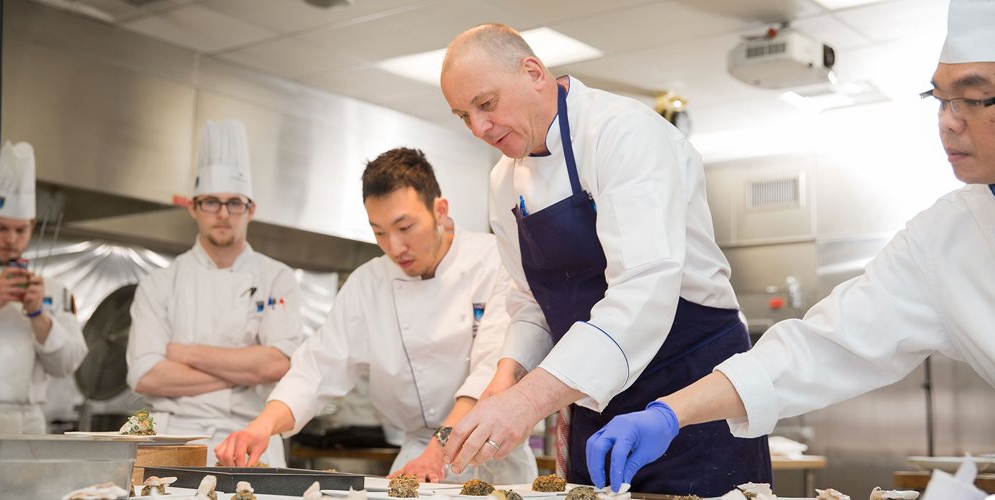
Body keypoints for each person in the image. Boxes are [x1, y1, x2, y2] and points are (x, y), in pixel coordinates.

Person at [585, 0, 995, 491]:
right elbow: (819, 345)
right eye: (939, 98)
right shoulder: (946, 236)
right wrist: (669, 413)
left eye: (973, 99)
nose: (948, 122)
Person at [439, 24, 770, 496]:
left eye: (486, 104)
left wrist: (528, 402)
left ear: (534, 72)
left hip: (691, 387)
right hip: (592, 398)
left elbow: (642, 291)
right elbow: (530, 302)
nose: (478, 128)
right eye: (462, 116)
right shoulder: (502, 183)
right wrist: (506, 379)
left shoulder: (622, 133)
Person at [215, 148, 538, 484]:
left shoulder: (496, 260)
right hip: (415, 462)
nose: (394, 247)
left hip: (497, 461)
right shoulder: (368, 283)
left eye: (405, 227)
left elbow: (493, 371)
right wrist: (262, 426)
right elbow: (318, 367)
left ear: (440, 210)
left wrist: (439, 449)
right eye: (380, 232)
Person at [126, 120, 303, 466]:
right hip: (174, 441)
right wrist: (244, 369)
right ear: (193, 207)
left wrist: (184, 353)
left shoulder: (277, 277)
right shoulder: (159, 284)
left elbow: (277, 364)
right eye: (211, 202)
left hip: (253, 437)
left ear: (250, 210)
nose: (223, 214)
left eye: (234, 203)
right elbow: (146, 375)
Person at [0, 140, 87, 434]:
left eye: (20, 230)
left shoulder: (53, 289)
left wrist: (38, 317)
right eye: (0, 228)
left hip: (28, 424)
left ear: (32, 227)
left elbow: (67, 365)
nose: (11, 239)